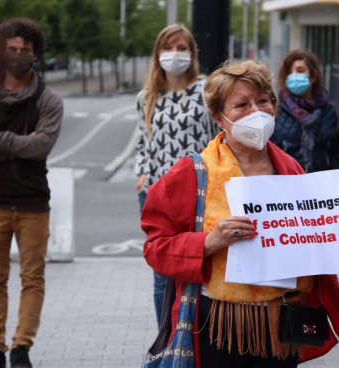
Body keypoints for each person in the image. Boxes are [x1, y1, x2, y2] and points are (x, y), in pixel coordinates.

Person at [141, 60, 339, 368]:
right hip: (219, 327)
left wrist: (337, 225)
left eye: (263, 101)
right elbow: (155, 247)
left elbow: (307, 241)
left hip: (282, 322)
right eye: (241, 104)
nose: (256, 112)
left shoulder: (290, 167)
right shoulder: (192, 173)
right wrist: (209, 242)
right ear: (218, 118)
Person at [0, 18, 63, 368]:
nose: (17, 56)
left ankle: (21, 347)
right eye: (11, 50)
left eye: (24, 51)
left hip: (33, 203)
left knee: (32, 279)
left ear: (36, 54)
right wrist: (17, 145)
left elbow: (41, 146)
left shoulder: (48, 99)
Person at [135, 24, 216, 332]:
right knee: (161, 273)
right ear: (158, 53)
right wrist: (141, 172)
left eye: (182, 48)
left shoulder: (205, 90)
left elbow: (216, 136)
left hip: (198, 193)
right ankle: (166, 342)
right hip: (156, 194)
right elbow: (143, 140)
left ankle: (194, 338)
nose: (175, 54)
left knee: (196, 264)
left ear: (192, 54)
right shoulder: (147, 96)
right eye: (169, 48)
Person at [270, 49, 339, 173]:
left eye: (300, 71)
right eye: (289, 72)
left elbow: (335, 152)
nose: (294, 75)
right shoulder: (277, 109)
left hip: (319, 184)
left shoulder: (328, 111)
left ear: (313, 76)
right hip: (286, 184)